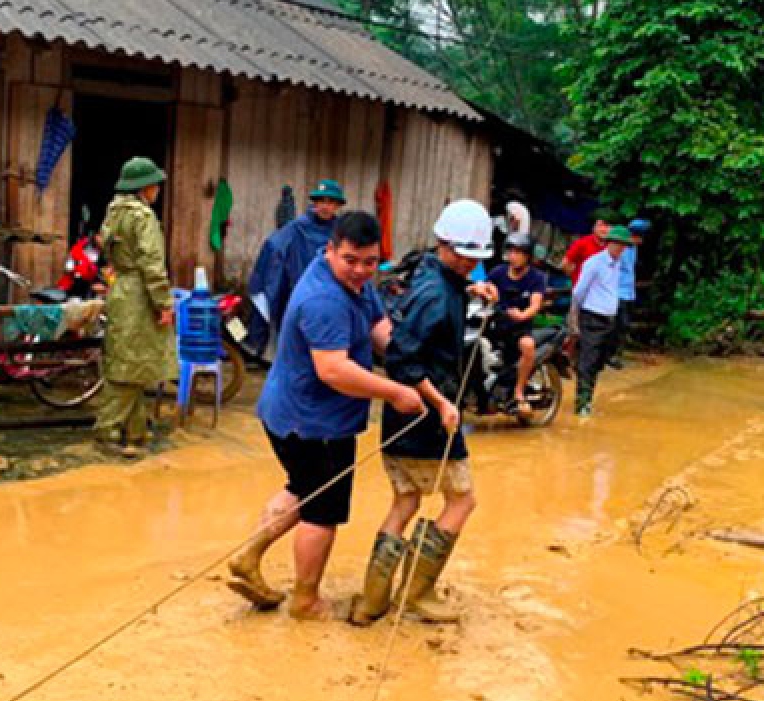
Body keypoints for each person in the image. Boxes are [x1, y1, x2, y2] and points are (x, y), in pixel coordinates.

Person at [229, 212, 425, 620]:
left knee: (304, 488)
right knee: (322, 512)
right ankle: (305, 600)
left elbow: (378, 326)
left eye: (370, 262)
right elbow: (333, 369)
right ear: (331, 249)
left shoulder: (354, 283)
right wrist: (396, 392)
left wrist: (407, 357)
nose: (360, 270)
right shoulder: (324, 298)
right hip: (312, 422)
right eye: (350, 260)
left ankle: (249, 555)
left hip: (293, 412)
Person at [350, 199, 492, 627]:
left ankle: (372, 601)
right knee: (463, 500)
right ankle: (417, 592)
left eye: (476, 257)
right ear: (445, 245)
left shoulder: (431, 275)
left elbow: (437, 302)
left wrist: (473, 290)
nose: (471, 263)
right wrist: (443, 402)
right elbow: (404, 360)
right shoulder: (434, 292)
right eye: (465, 255)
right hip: (429, 418)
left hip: (402, 420)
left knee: (406, 500)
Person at [94, 156, 176, 459]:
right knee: (129, 368)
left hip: (121, 289)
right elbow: (152, 264)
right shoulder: (143, 217)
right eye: (155, 185)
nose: (157, 190)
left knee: (132, 363)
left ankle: (136, 431)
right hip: (139, 294)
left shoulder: (113, 212)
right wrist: (164, 303)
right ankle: (107, 432)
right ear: (146, 187)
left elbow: (105, 247)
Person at [247, 179, 347, 357]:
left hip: (329, 292)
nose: (325, 206)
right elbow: (273, 247)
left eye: (331, 202)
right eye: (321, 201)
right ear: (315, 203)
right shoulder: (297, 228)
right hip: (299, 291)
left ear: (338, 205)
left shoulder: (341, 231)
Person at [568, 225, 633, 417]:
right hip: (591, 316)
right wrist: (574, 316)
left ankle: (588, 399)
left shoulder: (618, 264)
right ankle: (582, 404)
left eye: (623, 246)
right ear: (609, 244)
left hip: (608, 319)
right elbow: (579, 291)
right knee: (588, 361)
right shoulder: (594, 263)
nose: (621, 249)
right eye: (618, 245)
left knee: (598, 361)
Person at [486, 232, 547, 415]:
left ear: (527, 256)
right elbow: (486, 288)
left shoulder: (536, 278)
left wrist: (522, 316)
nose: (513, 256)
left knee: (528, 345)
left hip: (520, 326)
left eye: (518, 252)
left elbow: (535, 304)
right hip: (497, 322)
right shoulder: (498, 272)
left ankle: (518, 391)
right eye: (511, 252)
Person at [608, 218, 650, 369]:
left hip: (628, 292)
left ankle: (613, 353)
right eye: (639, 237)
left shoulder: (633, 249)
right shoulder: (621, 249)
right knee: (618, 325)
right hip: (618, 292)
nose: (641, 241)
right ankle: (610, 355)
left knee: (623, 326)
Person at [563, 218, 609, 286]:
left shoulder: (611, 246)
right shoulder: (582, 243)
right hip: (581, 288)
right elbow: (566, 263)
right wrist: (575, 277)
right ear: (594, 227)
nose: (604, 229)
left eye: (607, 226)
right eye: (600, 225)